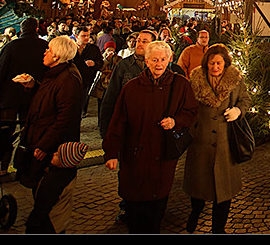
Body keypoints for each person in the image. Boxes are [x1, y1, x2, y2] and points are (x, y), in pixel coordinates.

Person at [103, 40, 199, 233]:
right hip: (134, 156)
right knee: (134, 211)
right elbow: (119, 121)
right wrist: (111, 152)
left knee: (155, 211)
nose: (159, 64)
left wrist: (175, 121)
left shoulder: (180, 85)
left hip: (162, 156)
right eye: (154, 60)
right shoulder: (131, 88)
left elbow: (192, 112)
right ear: (146, 61)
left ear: (170, 60)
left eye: (163, 59)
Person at [17, 35, 84, 233]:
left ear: (57, 56)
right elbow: (52, 104)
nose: (44, 53)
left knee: (47, 206)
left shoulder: (68, 79)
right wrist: (33, 86)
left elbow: (65, 118)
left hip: (54, 151)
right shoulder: (55, 75)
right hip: (42, 140)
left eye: (48, 50)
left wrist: (44, 145)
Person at [183, 43, 252, 234]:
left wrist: (238, 111)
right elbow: (187, 106)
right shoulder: (196, 79)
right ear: (206, 64)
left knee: (224, 191)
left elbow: (245, 100)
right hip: (201, 141)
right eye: (212, 63)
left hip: (225, 143)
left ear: (225, 64)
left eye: (219, 63)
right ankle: (195, 212)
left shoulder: (235, 80)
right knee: (198, 188)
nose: (215, 67)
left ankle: (218, 229)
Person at [0, 17, 49, 126]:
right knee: (28, 129)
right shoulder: (45, 46)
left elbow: (0, 70)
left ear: (21, 30)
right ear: (36, 29)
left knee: (6, 130)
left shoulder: (10, 46)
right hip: (33, 96)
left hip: (9, 95)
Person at [72, 25, 104, 118]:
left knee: (83, 99)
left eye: (88, 35)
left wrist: (94, 63)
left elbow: (100, 62)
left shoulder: (94, 49)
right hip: (72, 79)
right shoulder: (71, 48)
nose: (87, 38)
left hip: (86, 80)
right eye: (83, 36)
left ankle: (81, 113)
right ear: (76, 36)